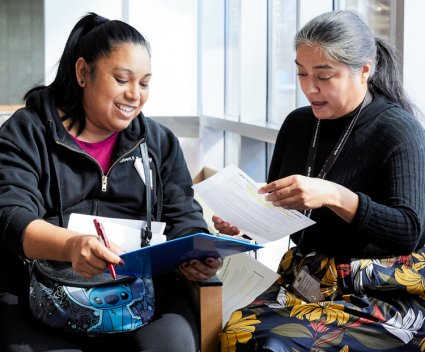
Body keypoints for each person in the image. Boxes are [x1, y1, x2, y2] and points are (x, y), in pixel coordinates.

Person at [0, 12, 221, 352]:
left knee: (174, 343)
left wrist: (195, 253)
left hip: (142, 297)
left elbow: (183, 217)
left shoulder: (158, 142)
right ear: (83, 73)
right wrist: (72, 246)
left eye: (144, 83)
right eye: (122, 79)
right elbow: (11, 216)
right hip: (42, 291)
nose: (135, 95)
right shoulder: (27, 131)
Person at [215, 10, 425, 351]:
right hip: (309, 277)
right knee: (234, 333)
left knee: (271, 344)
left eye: (324, 77)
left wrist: (335, 195)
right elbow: (282, 209)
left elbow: (408, 231)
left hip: (381, 293)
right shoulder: (298, 124)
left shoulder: (397, 130)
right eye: (301, 73)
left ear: (365, 71)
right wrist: (246, 221)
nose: (309, 88)